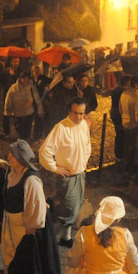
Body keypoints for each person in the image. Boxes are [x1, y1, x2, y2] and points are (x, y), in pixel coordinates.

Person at [0, 140, 60, 274]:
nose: (9, 157)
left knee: (26, 254)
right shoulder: (12, 172)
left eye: (13, 154)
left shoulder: (31, 180)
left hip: (27, 223)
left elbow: (36, 204)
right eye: (10, 153)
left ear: (22, 158)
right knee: (14, 250)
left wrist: (32, 226)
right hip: (13, 221)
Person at [61, 196, 138, 274]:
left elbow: (73, 262)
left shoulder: (84, 232)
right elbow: (136, 266)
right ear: (118, 218)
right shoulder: (125, 234)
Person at [39, 97, 91, 248]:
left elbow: (87, 145)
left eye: (81, 113)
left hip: (80, 173)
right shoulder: (60, 128)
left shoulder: (83, 126)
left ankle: (64, 237)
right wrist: (54, 167)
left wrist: (83, 163)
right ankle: (54, 239)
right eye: (75, 113)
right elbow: (44, 151)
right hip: (67, 177)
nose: (79, 117)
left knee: (74, 206)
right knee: (66, 207)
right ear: (69, 111)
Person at [4, 71, 43, 140]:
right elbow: (8, 100)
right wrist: (8, 111)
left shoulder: (32, 88)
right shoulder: (13, 88)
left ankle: (25, 140)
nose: (26, 80)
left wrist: (40, 111)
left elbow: (37, 100)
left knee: (27, 128)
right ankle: (21, 139)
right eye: (24, 78)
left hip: (29, 112)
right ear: (20, 79)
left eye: (28, 79)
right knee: (19, 127)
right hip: (18, 112)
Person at [119, 76, 138, 173]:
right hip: (133, 124)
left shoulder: (123, 94)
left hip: (124, 122)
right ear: (136, 85)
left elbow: (120, 109)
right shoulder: (134, 96)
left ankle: (126, 164)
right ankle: (132, 167)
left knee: (127, 144)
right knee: (133, 146)